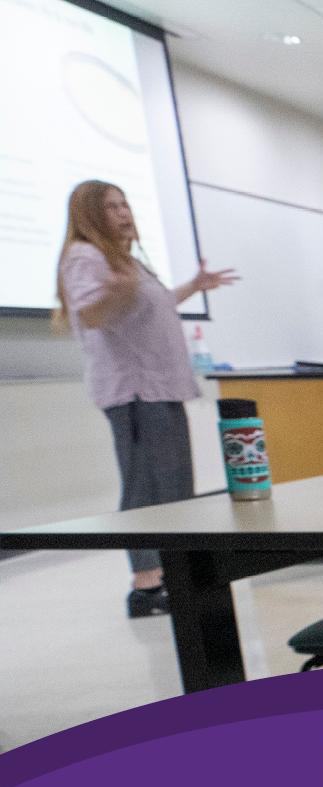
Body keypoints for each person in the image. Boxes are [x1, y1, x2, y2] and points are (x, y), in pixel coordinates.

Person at [53, 179, 238, 618]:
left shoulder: (123, 260)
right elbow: (93, 313)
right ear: (90, 214)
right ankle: (146, 584)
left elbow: (149, 306)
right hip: (135, 391)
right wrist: (115, 290)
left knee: (172, 487)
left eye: (124, 203)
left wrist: (192, 287)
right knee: (148, 488)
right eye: (112, 206)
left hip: (159, 386)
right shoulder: (85, 256)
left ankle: (172, 572)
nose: (124, 212)